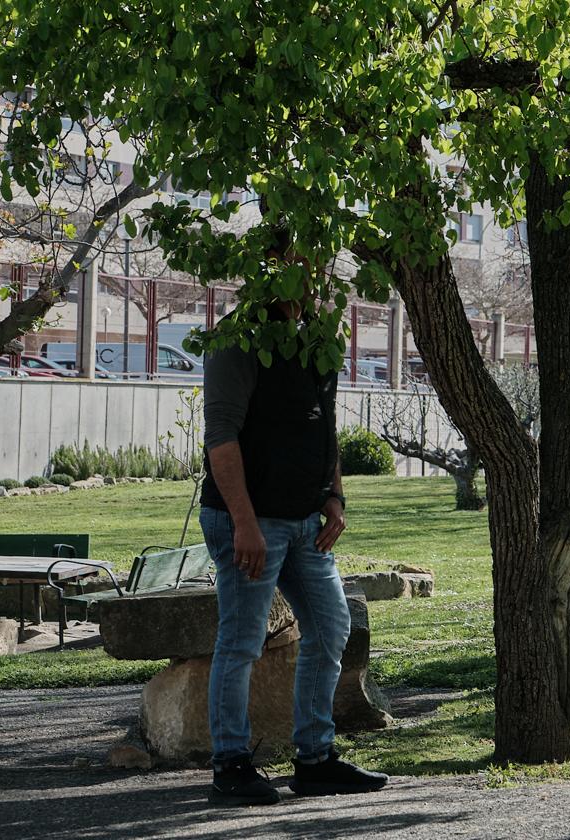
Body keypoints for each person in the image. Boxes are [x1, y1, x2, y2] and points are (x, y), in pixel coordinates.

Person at [199, 242, 388, 807]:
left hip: (308, 523)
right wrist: (245, 523)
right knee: (241, 642)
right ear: (268, 271)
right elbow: (221, 438)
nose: (314, 277)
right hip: (251, 524)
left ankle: (315, 760)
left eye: (319, 266)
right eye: (302, 266)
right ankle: (230, 766)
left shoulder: (317, 338)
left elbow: (325, 428)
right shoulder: (237, 339)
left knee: (331, 628)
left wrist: (334, 495)